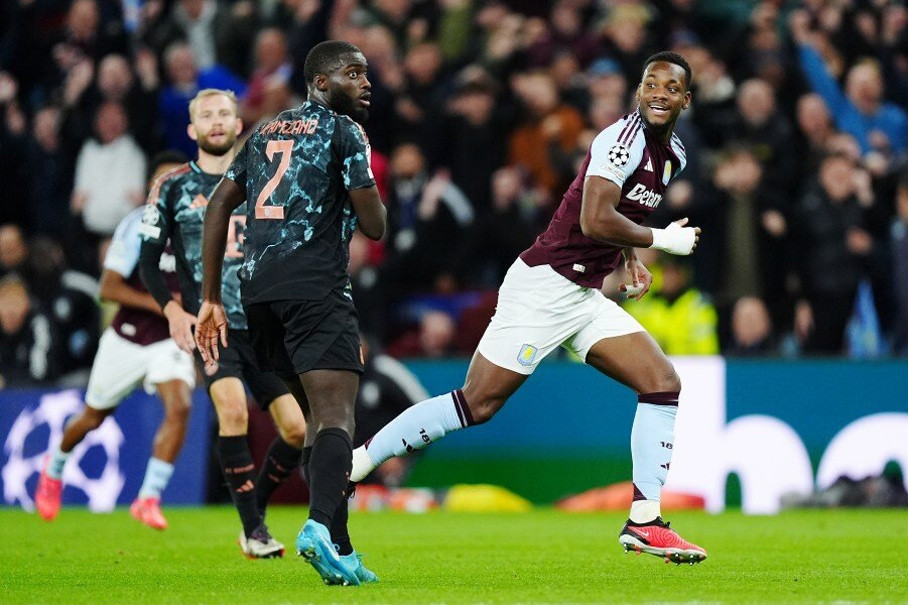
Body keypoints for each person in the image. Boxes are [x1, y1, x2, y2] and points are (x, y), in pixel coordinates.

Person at [348, 51, 708, 565]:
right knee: (478, 404)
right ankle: (359, 462)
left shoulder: (673, 154)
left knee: (662, 382)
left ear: (685, 100)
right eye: (651, 82)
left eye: (670, 88)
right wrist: (660, 241)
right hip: (544, 286)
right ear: (638, 90)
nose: (658, 93)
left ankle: (644, 521)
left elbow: (622, 212)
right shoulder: (619, 139)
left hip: (583, 295)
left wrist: (630, 258)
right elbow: (593, 217)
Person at [194, 41, 386, 586]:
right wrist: (365, 192)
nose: (366, 83)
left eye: (367, 74)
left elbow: (217, 208)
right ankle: (321, 528)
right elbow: (375, 227)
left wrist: (211, 298)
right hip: (316, 289)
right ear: (322, 84)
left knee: (314, 419)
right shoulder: (346, 132)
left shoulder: (264, 132)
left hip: (257, 298)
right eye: (354, 74)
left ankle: (342, 551)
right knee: (336, 418)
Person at [138, 90, 306, 559]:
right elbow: (149, 262)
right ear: (191, 130)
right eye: (206, 115)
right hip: (211, 323)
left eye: (225, 114)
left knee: (296, 431)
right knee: (232, 411)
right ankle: (254, 532)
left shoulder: (266, 181)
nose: (216, 122)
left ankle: (254, 512)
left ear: (238, 124)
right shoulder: (170, 186)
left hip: (264, 325)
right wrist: (172, 309)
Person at [34, 151, 195, 529]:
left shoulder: (198, 226)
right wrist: (165, 306)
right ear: (151, 187)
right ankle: (54, 466)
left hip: (168, 341)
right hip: (125, 338)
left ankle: (149, 497)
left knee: (181, 406)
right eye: (161, 181)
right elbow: (108, 289)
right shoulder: (136, 224)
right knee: (92, 417)